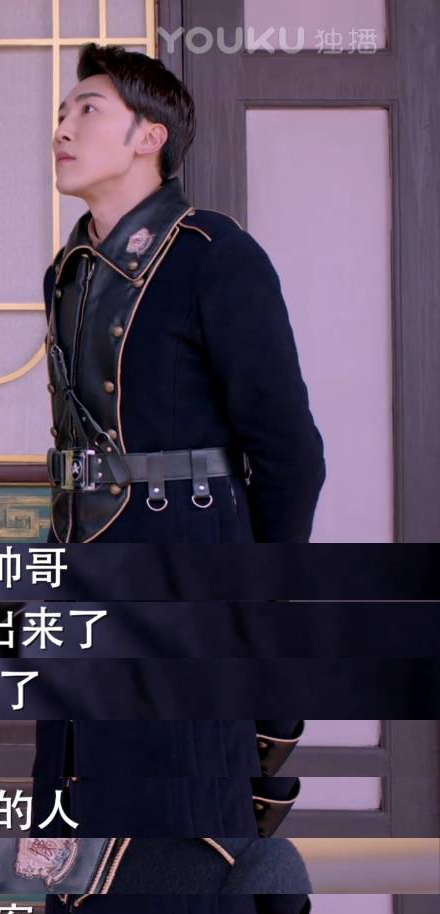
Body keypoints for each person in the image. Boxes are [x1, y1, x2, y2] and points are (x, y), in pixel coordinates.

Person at [44, 43, 324, 545]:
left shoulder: (214, 256)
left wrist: (266, 582)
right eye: (63, 115)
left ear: (151, 137)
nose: (63, 130)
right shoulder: (65, 272)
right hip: (77, 550)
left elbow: (291, 456)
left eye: (88, 110)